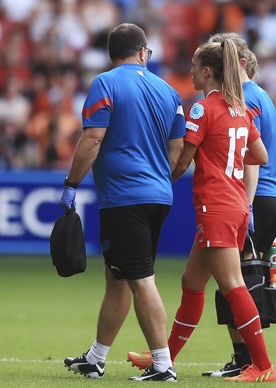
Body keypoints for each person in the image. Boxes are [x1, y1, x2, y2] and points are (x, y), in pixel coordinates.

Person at [128, 32, 276, 379]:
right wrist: (225, 150)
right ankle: (163, 358)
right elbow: (259, 155)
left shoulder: (203, 108)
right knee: (192, 281)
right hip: (234, 203)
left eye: (195, 68)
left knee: (233, 285)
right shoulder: (240, 107)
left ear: (209, 72)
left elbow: (182, 164)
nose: (190, 73)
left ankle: (262, 365)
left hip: (215, 203)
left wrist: (155, 181)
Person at [60, 23, 185, 382]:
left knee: (141, 279)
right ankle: (96, 357)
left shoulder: (106, 83)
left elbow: (92, 139)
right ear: (143, 52)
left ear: (112, 53)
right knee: (119, 276)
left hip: (123, 198)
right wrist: (159, 180)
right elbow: (178, 151)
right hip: (159, 196)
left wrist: (71, 183)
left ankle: (162, 365)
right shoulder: (169, 91)